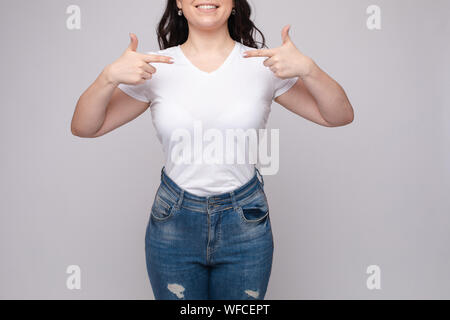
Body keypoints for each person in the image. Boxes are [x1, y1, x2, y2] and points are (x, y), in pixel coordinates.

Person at [71, 0, 354, 300]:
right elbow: (85, 127)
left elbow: (338, 116)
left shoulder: (262, 64)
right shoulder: (155, 67)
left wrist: (310, 69)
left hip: (245, 224)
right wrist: (107, 77)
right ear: (179, 3)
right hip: (173, 224)